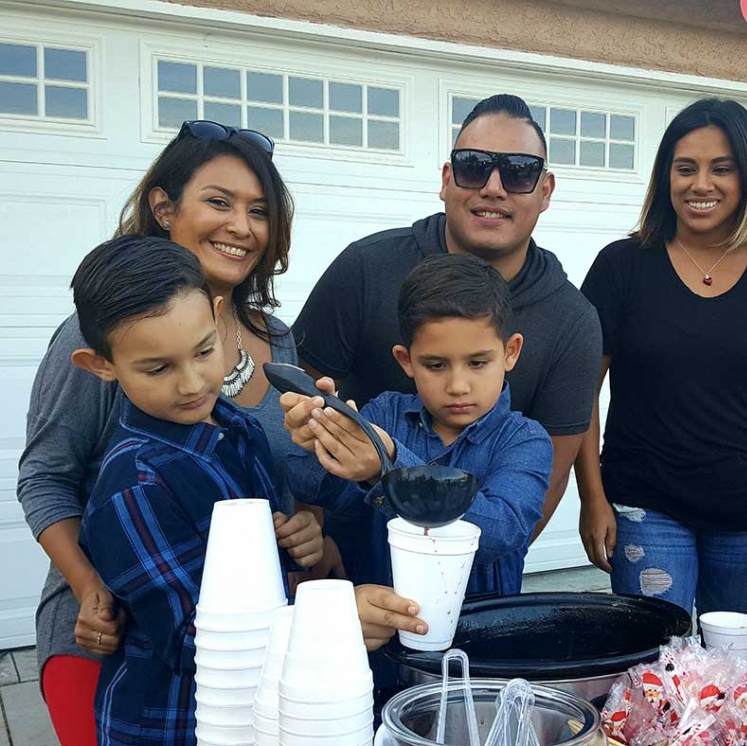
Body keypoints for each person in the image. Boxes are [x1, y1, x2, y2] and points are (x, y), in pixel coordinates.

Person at [15, 121, 348, 746]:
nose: (241, 226)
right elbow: (46, 476)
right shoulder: (101, 334)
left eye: (259, 210)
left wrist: (307, 522)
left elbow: (279, 473)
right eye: (218, 202)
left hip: (252, 640)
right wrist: (91, 589)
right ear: (164, 207)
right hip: (121, 624)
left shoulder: (276, 340)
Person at [70, 236, 420, 746]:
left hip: (265, 712)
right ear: (100, 364)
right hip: (177, 723)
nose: (191, 382)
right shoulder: (135, 487)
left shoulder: (236, 426)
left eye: (204, 351)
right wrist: (332, 620)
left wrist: (297, 537)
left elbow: (262, 561)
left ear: (217, 317)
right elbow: (199, 642)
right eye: (157, 368)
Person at [290, 94, 601, 574]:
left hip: (477, 599)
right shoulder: (365, 269)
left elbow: (526, 505)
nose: (493, 187)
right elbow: (320, 459)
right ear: (446, 179)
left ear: (545, 189)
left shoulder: (571, 323)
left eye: (519, 171)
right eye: (474, 166)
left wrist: (450, 564)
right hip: (362, 587)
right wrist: (316, 435)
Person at [575, 98, 747, 639]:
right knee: (654, 670)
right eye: (685, 167)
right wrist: (592, 499)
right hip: (646, 504)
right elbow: (580, 393)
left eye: (722, 168)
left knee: (733, 676)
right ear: (665, 175)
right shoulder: (621, 267)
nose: (701, 184)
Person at [285, 253, 553, 595]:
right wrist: (319, 437)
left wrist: (390, 467)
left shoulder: (525, 440)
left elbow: (499, 532)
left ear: (510, 352)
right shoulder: (384, 415)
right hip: (381, 631)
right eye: (436, 365)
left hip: (484, 632)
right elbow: (315, 490)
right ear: (406, 360)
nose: (458, 385)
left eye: (477, 362)